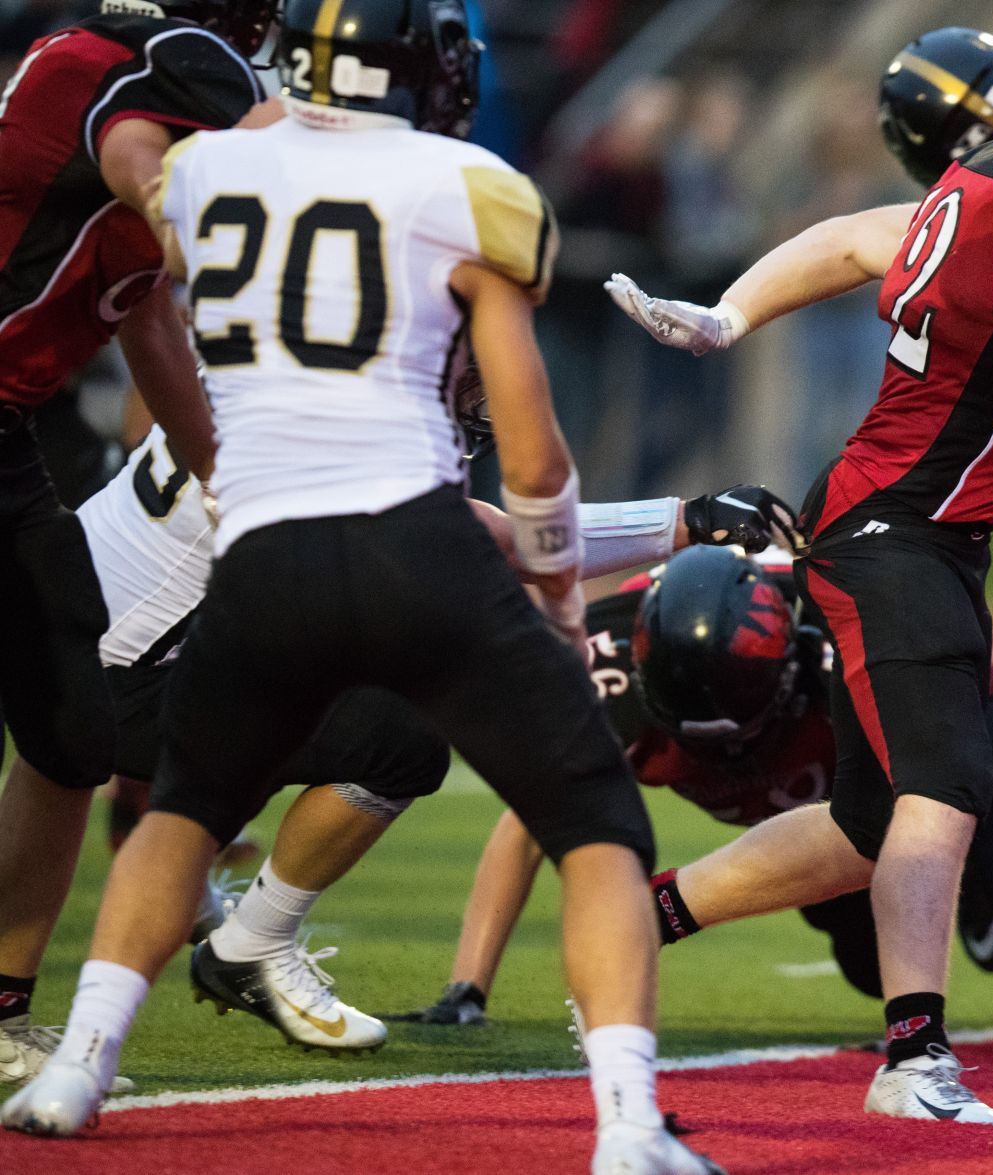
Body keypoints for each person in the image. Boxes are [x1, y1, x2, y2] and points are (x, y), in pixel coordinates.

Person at [1, 4, 724, 1171]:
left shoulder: (201, 173)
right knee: (595, 822)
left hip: (263, 550)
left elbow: (151, 289)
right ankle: (631, 1127)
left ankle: (79, 1063)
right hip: (407, 533)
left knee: (181, 811)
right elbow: (532, 458)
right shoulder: (473, 184)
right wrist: (551, 601)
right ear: (429, 75)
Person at [607, 0, 993, 1125]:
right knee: (937, 790)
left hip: (888, 523)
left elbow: (849, 237)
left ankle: (635, 916)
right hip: (905, 534)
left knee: (868, 822)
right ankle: (913, 1056)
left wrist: (729, 314)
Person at [79, 407, 798, 1058]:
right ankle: (241, 948)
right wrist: (682, 520)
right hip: (125, 680)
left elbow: (151, 392)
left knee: (315, 672)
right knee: (399, 735)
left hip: (77, 622)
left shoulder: (264, 358)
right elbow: (494, 544)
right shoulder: (344, 416)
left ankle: (168, 923)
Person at [396, 544, 993, 1024]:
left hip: (932, 739)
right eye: (702, 723)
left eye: (746, 715)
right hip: (816, 824)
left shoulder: (842, 630)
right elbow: (528, 819)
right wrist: (466, 986)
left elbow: (884, 822)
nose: (727, 743)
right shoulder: (611, 669)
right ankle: (964, 890)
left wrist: (660, 912)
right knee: (874, 964)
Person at [0, 0, 277, 1098]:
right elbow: (129, 151)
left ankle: (6, 1005)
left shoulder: (133, 69)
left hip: (8, 430)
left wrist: (230, 484)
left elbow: (148, 318)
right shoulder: (143, 68)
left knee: (74, 727)